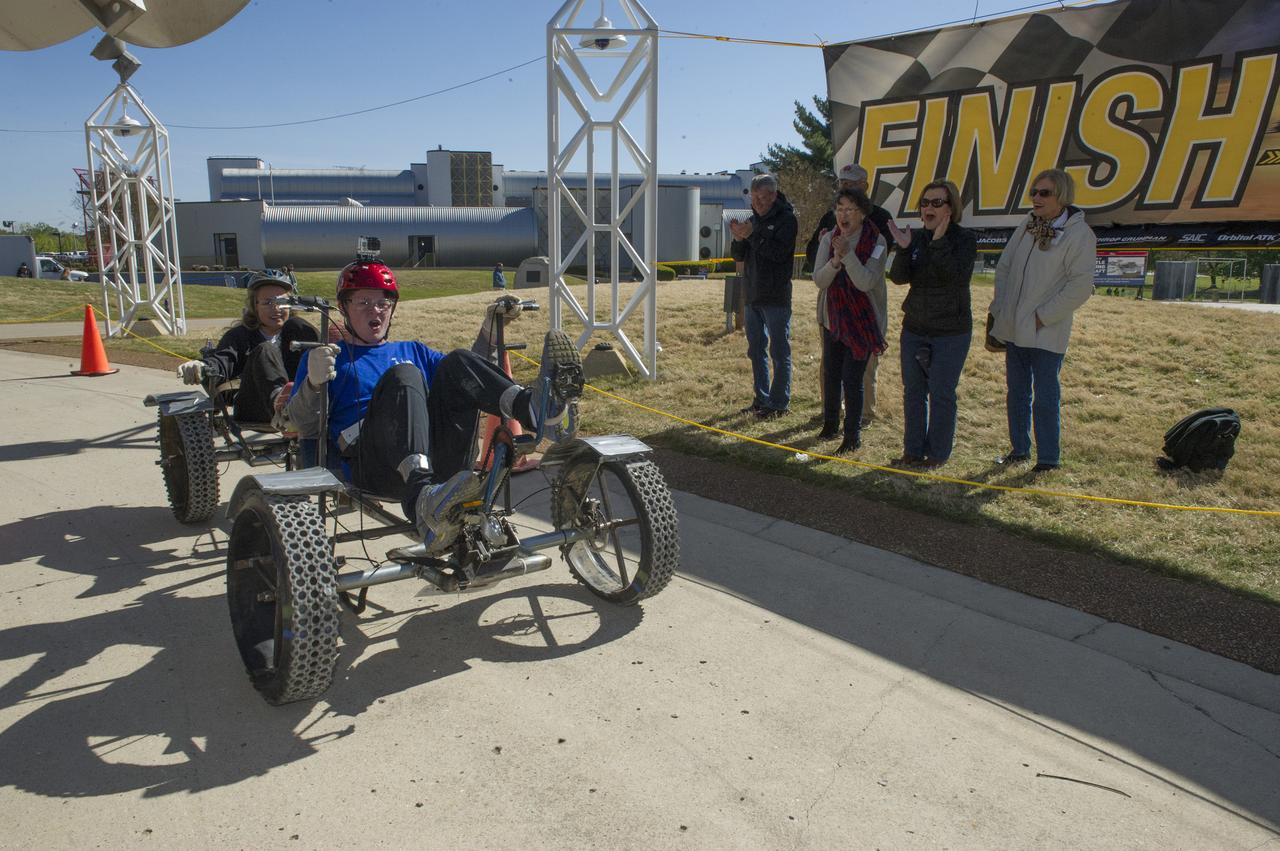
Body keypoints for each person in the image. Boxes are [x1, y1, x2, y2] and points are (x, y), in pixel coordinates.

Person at [282, 256, 582, 554]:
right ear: (344, 307)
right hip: (371, 463)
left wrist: (491, 331)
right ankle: (421, 497)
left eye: (383, 302)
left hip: (439, 460)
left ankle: (538, 410)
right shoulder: (327, 357)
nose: (375, 310)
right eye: (363, 301)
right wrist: (312, 384)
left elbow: (469, 384)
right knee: (405, 375)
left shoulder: (412, 349)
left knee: (457, 360)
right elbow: (303, 426)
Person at [988, 168, 1096, 473]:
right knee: (1016, 393)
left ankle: (1048, 459)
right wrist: (1001, 307)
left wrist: (1041, 317)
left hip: (1046, 331)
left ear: (1061, 196)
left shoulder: (1079, 234)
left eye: (1044, 193)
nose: (1036, 198)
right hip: (1014, 327)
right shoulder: (1027, 224)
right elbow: (1005, 267)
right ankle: (1019, 450)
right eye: (1033, 192)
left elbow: (1080, 287)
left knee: (1045, 397)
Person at [887, 179, 977, 468]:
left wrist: (939, 243)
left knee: (941, 392)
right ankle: (912, 450)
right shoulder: (916, 237)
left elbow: (955, 277)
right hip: (915, 328)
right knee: (913, 391)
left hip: (951, 332)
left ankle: (937, 455)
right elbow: (900, 278)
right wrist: (903, 249)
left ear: (951, 208)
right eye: (924, 202)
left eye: (936, 202)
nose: (928, 208)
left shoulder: (964, 240)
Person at [175, 269, 319, 425]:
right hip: (255, 407)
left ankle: (309, 406)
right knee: (265, 350)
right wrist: (202, 365)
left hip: (302, 404)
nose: (276, 309)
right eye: (267, 302)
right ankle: (282, 407)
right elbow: (223, 360)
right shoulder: (240, 336)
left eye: (282, 302)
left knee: (300, 328)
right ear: (254, 305)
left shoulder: (298, 332)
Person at [811, 188, 889, 454]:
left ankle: (852, 436)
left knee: (852, 379)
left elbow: (866, 281)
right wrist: (834, 260)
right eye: (839, 209)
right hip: (833, 320)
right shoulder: (828, 239)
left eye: (850, 210)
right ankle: (830, 425)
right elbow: (820, 280)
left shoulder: (877, 242)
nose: (843, 215)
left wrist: (848, 255)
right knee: (831, 374)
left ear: (863, 214)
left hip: (863, 324)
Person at [730, 173, 799, 419]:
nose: (757, 203)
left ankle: (779, 403)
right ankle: (761, 398)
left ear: (773, 195)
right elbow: (738, 256)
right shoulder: (751, 220)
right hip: (752, 295)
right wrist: (738, 238)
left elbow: (778, 254)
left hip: (776, 296)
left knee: (780, 352)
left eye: (762, 198)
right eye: (754, 198)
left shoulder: (787, 219)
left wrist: (751, 235)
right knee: (755, 350)